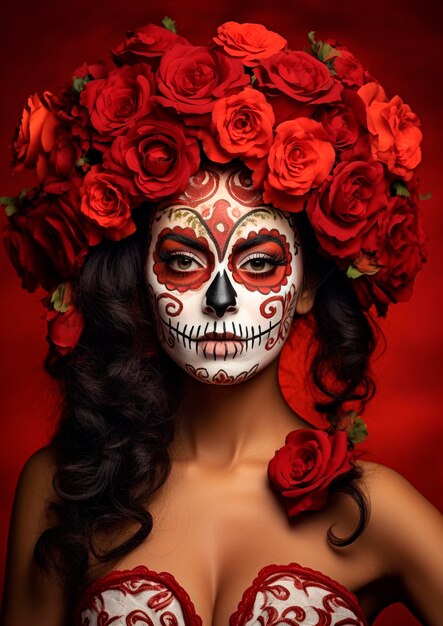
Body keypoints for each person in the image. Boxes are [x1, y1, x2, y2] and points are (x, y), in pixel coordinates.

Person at [1, 19, 442, 626]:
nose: (219, 298)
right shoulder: (62, 489)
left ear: (308, 286)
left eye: (259, 263)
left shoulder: (368, 508)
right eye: (183, 260)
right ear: (139, 279)